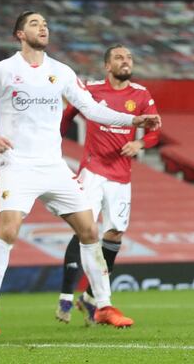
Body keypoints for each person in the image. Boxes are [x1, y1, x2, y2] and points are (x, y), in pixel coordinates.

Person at [0, 11, 161, 336]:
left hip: (54, 167)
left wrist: (133, 122)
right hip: (18, 165)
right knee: (10, 231)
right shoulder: (4, 70)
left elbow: (91, 109)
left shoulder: (60, 72)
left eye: (45, 23)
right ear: (19, 33)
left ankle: (103, 306)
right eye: (34, 23)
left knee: (90, 232)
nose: (42, 27)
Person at [55, 44, 159, 325]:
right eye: (119, 57)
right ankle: (67, 295)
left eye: (129, 57)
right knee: (84, 229)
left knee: (113, 236)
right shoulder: (91, 90)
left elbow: (154, 131)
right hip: (92, 171)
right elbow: (66, 117)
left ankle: (90, 297)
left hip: (121, 176)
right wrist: (53, 142)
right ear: (107, 65)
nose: (126, 61)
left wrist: (139, 142)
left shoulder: (141, 94)